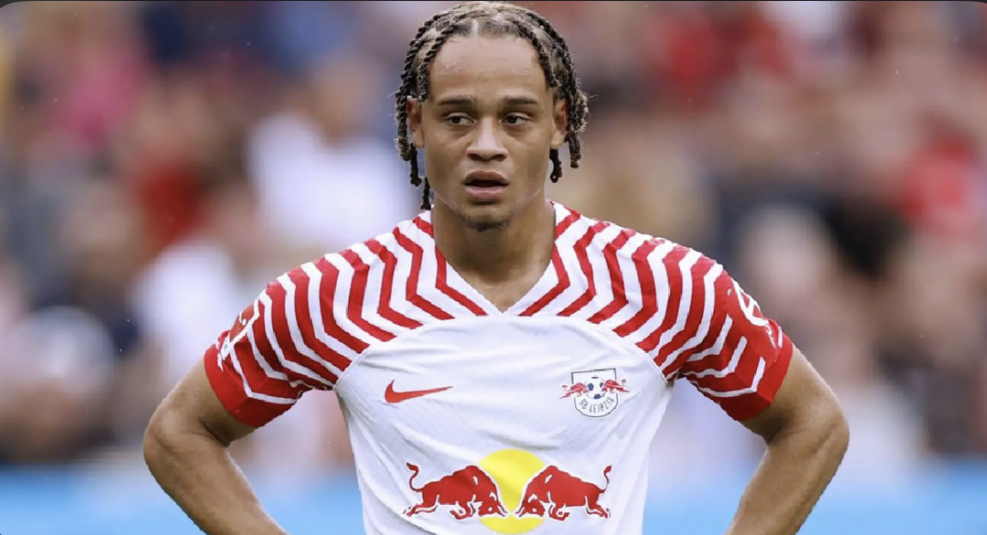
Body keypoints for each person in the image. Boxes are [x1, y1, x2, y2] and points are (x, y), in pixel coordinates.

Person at [142, 2, 850, 534]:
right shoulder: (335, 295)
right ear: (414, 124)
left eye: (515, 118)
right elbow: (179, 433)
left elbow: (812, 424)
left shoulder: (662, 283)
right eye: (457, 117)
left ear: (559, 123)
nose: (486, 144)